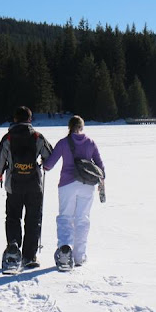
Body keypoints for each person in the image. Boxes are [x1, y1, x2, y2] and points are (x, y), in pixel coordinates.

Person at [0, 106, 53, 270]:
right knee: (33, 219)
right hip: (34, 185)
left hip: (14, 185)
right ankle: (29, 255)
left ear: (15, 119)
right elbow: (49, 156)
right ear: (30, 119)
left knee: (13, 217)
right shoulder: (37, 137)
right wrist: (44, 165)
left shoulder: (8, 138)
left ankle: (13, 247)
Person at [43, 115, 105, 268]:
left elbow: (49, 165)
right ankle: (79, 256)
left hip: (67, 184)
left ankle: (65, 253)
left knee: (65, 217)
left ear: (69, 127)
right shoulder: (90, 142)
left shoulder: (63, 142)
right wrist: (101, 183)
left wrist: (43, 163)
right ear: (82, 127)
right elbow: (100, 166)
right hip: (87, 185)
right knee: (82, 219)